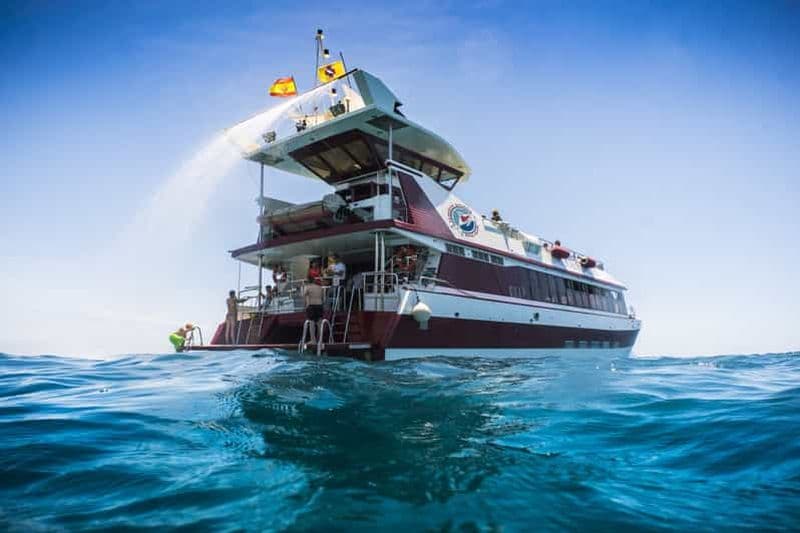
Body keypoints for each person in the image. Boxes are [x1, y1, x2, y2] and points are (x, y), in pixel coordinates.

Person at [302, 274, 324, 345]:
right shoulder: (319, 287)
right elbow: (322, 297)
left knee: (312, 323)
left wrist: (304, 306)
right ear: (314, 280)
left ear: (308, 280)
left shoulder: (307, 287)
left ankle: (313, 340)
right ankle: (321, 340)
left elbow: (303, 296)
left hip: (311, 306)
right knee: (319, 323)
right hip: (320, 305)